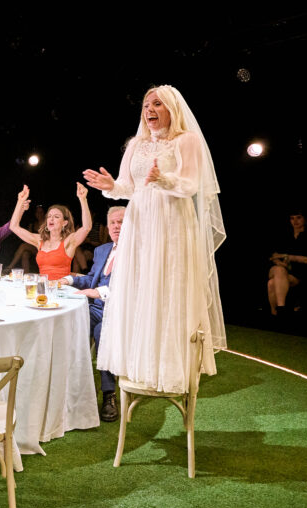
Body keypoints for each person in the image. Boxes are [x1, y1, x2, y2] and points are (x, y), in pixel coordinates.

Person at [84, 85, 226, 394]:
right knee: (139, 287)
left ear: (172, 109)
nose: (150, 109)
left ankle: (169, 367)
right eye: (147, 105)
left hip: (171, 222)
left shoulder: (186, 140)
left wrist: (164, 179)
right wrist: (111, 186)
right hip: (139, 223)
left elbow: (191, 185)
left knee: (167, 287)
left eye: (158, 104)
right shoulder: (136, 144)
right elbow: (127, 186)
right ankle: (137, 363)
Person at [60, 205, 126, 421]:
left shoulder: (139, 252)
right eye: (112, 222)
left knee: (101, 332)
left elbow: (134, 288)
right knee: (67, 323)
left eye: (121, 222)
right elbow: (91, 279)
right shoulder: (102, 250)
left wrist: (97, 292)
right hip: (95, 308)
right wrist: (69, 279)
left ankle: (109, 394)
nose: (116, 226)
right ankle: (69, 389)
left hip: (120, 312)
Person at [6, 183, 92, 280]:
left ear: (64, 223)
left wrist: (83, 199)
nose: (51, 219)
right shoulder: (40, 240)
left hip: (62, 287)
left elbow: (86, 227)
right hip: (43, 286)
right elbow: (13, 227)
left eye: (56, 217)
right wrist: (20, 201)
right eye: (49, 216)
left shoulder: (69, 241)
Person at [267, 212, 307, 319]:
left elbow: (306, 259)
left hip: (297, 273)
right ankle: (281, 309)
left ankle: (274, 313)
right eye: (292, 218)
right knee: (279, 269)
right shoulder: (284, 235)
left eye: (298, 218)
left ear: (305, 219)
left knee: (271, 283)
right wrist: (279, 261)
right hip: (278, 268)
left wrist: (285, 256)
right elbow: (272, 256)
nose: (295, 221)